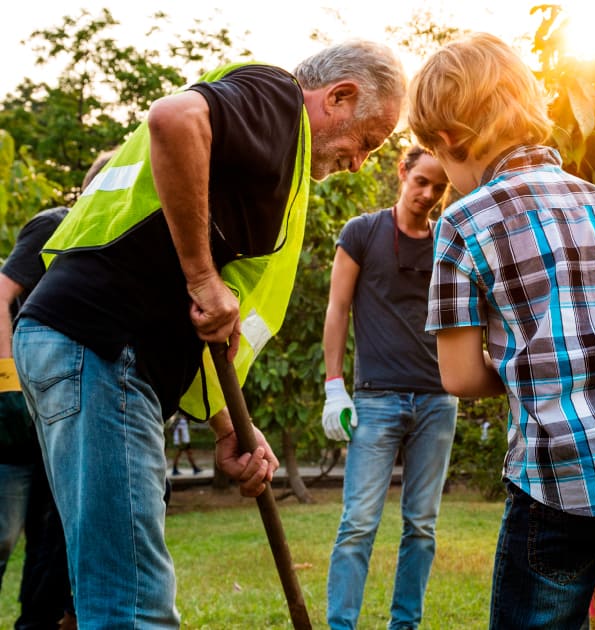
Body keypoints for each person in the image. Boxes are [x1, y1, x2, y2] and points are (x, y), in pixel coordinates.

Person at [11, 39, 407, 626]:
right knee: (134, 603)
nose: (359, 162)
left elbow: (213, 322)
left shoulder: (279, 161)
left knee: (113, 584)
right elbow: (174, 117)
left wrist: (230, 427)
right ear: (340, 97)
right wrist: (201, 278)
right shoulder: (279, 102)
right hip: (101, 345)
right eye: (367, 142)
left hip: (84, 347)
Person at [408, 32, 595, 629]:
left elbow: (459, 376)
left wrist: (542, 368)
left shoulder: (463, 225)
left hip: (559, 479)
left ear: (447, 139)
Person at [321, 145, 457, 629]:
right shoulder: (362, 232)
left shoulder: (447, 243)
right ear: (402, 173)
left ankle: (405, 625)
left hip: (438, 401)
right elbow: (337, 309)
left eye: (438, 187)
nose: (428, 194)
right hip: (376, 398)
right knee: (358, 523)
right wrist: (334, 386)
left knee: (421, 527)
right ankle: (341, 625)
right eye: (421, 181)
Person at [0, 151, 112, 630]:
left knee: (50, 542)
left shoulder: (109, 249)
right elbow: (0, 294)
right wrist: (7, 382)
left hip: (60, 415)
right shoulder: (55, 225)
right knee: (1, 536)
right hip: (13, 414)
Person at [169, 412, 203, 476]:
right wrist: (179, 437)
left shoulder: (186, 419)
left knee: (188, 454)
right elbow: (171, 429)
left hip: (185, 440)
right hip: (181, 441)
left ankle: (194, 468)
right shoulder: (178, 419)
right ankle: (175, 469)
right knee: (179, 455)